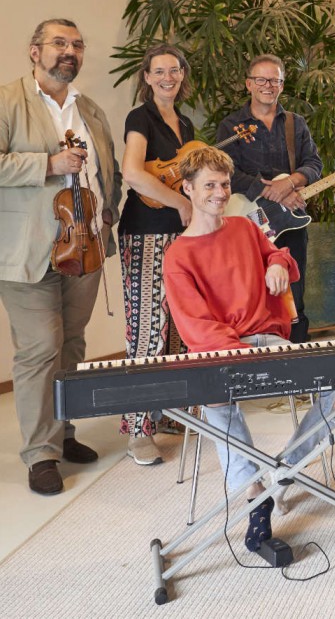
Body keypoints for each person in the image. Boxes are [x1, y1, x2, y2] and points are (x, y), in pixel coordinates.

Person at [163, 146, 335, 551]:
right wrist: (236, 354)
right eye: (210, 185)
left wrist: (276, 264)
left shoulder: (244, 227)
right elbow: (196, 325)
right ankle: (255, 495)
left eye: (225, 184)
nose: (219, 193)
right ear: (188, 189)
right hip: (220, 351)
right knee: (214, 391)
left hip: (269, 342)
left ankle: (287, 471)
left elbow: (280, 254)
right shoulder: (178, 255)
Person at [0, 18, 121, 494]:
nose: (68, 51)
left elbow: (106, 167)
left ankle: (65, 432)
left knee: (72, 345)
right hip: (27, 252)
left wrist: (108, 214)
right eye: (58, 43)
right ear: (34, 51)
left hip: (84, 246)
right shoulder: (8, 100)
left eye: (76, 44)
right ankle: (40, 454)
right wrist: (47, 164)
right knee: (39, 350)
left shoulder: (87, 108)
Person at [115, 43, 196, 467]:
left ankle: (169, 415)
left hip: (181, 237)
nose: (168, 77)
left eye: (175, 70)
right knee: (147, 329)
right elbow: (133, 173)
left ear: (182, 75)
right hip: (146, 233)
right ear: (146, 77)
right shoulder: (139, 116)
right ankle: (136, 430)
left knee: (179, 328)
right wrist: (179, 204)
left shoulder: (184, 122)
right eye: (159, 71)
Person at [218, 54, 322, 343]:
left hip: (290, 225)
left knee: (294, 297)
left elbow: (314, 164)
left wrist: (289, 183)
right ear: (248, 84)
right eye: (261, 80)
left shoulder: (295, 123)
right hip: (246, 222)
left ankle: (299, 367)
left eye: (274, 80)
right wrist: (268, 191)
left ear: (282, 85)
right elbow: (225, 172)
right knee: (249, 296)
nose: (268, 85)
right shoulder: (231, 126)